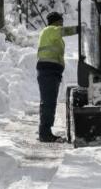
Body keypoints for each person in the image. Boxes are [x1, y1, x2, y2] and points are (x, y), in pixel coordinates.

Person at [36, 11, 79, 142]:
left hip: (51, 71)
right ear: (56, 22)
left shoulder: (51, 33)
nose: (62, 24)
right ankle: (44, 133)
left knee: (48, 102)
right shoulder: (51, 30)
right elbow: (65, 31)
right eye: (61, 21)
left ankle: (45, 131)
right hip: (48, 71)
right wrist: (79, 29)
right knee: (48, 102)